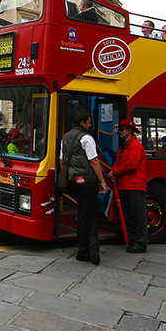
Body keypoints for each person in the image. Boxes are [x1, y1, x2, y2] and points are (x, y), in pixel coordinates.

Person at [60, 109, 109, 265]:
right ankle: (87, 249)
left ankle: (89, 248)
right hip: (87, 181)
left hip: (73, 181)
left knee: (85, 213)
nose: (89, 126)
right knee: (88, 214)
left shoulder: (65, 137)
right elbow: (94, 161)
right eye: (88, 123)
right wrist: (102, 181)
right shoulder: (86, 138)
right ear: (82, 123)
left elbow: (62, 161)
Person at [110, 119, 149, 253]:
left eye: (122, 130)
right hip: (126, 185)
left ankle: (140, 242)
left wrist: (114, 172)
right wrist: (114, 171)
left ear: (129, 131)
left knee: (138, 216)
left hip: (134, 185)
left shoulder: (135, 146)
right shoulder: (126, 146)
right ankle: (133, 240)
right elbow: (119, 162)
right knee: (127, 214)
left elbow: (131, 164)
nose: (119, 132)